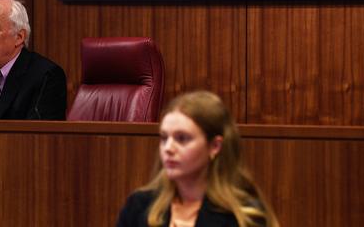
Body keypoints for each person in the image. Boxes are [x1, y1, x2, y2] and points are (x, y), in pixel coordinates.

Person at [116, 91, 279, 227]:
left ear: (215, 146)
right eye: (164, 138)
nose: (168, 148)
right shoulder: (139, 207)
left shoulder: (245, 217)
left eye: (182, 138)